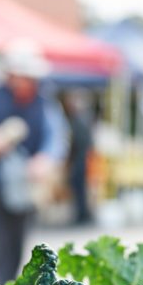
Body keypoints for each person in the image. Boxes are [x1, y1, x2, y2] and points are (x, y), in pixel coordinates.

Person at [0, 41, 67, 284]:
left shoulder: (43, 100)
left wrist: (45, 158)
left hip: (25, 186)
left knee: (18, 242)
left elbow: (56, 138)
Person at [60, 90, 93, 224]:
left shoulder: (77, 121)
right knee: (80, 189)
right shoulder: (82, 119)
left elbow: (78, 143)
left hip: (80, 159)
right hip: (82, 158)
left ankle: (82, 215)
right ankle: (83, 214)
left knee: (80, 189)